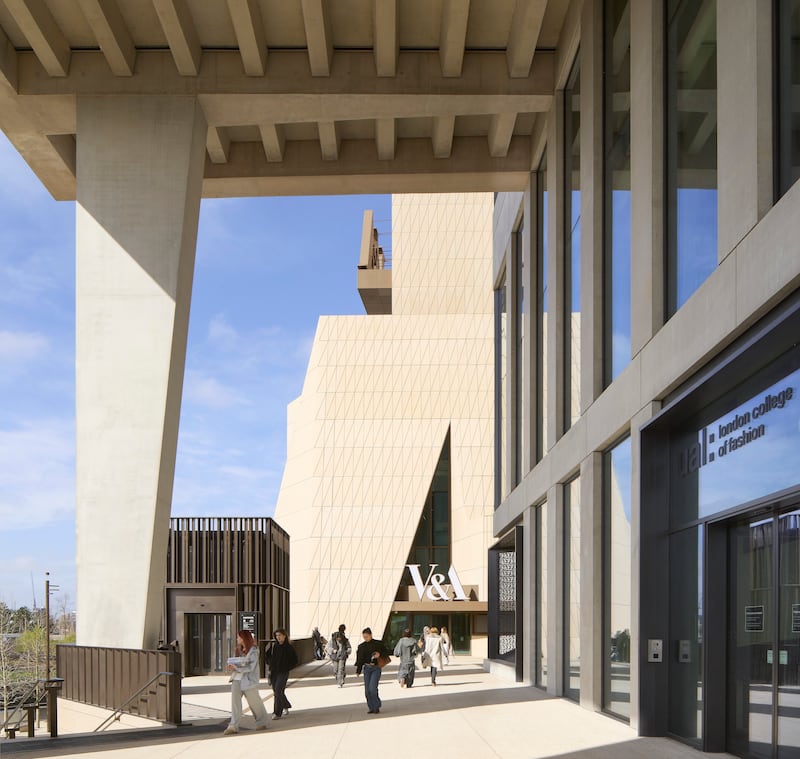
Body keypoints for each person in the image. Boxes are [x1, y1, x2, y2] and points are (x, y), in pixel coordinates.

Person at [224, 630, 268, 735]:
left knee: (255, 702)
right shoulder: (238, 650)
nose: (237, 639)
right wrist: (233, 666)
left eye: (239, 637)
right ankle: (233, 725)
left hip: (248, 681)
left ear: (244, 638)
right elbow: (237, 662)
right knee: (235, 703)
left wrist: (237, 667)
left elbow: (250, 667)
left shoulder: (254, 651)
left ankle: (261, 722)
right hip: (236, 679)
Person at [355, 627, 389, 714]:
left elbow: (386, 653)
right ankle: (371, 707)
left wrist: (379, 654)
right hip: (367, 668)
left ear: (370, 635)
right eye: (364, 637)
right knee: (367, 690)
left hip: (376, 668)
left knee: (372, 688)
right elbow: (359, 659)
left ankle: (376, 705)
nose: (365, 638)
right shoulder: (361, 646)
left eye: (367, 636)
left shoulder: (378, 644)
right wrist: (358, 670)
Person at [267, 628, 298, 720]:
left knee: (278, 690)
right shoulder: (274, 646)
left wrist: (287, 667)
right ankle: (286, 705)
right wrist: (270, 663)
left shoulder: (289, 647)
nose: (278, 637)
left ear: (284, 636)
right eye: (276, 635)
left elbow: (295, 660)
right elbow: (267, 656)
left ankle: (277, 712)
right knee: (277, 691)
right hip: (274, 672)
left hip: (283, 672)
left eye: (280, 635)